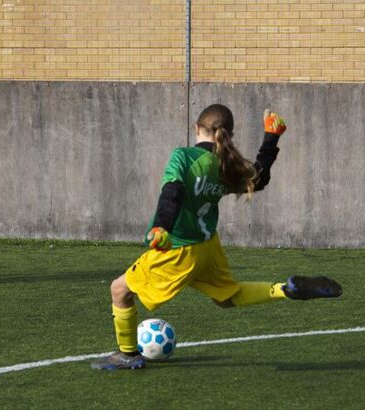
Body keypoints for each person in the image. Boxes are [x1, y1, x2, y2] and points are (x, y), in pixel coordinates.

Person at [91, 104, 342, 370]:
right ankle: (285, 289)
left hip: (178, 248)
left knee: (119, 290)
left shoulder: (184, 156)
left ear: (197, 128)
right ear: (228, 134)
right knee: (227, 298)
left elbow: (172, 192)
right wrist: (271, 138)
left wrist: (161, 227)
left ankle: (127, 355)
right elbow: (259, 179)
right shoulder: (225, 164)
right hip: (208, 247)